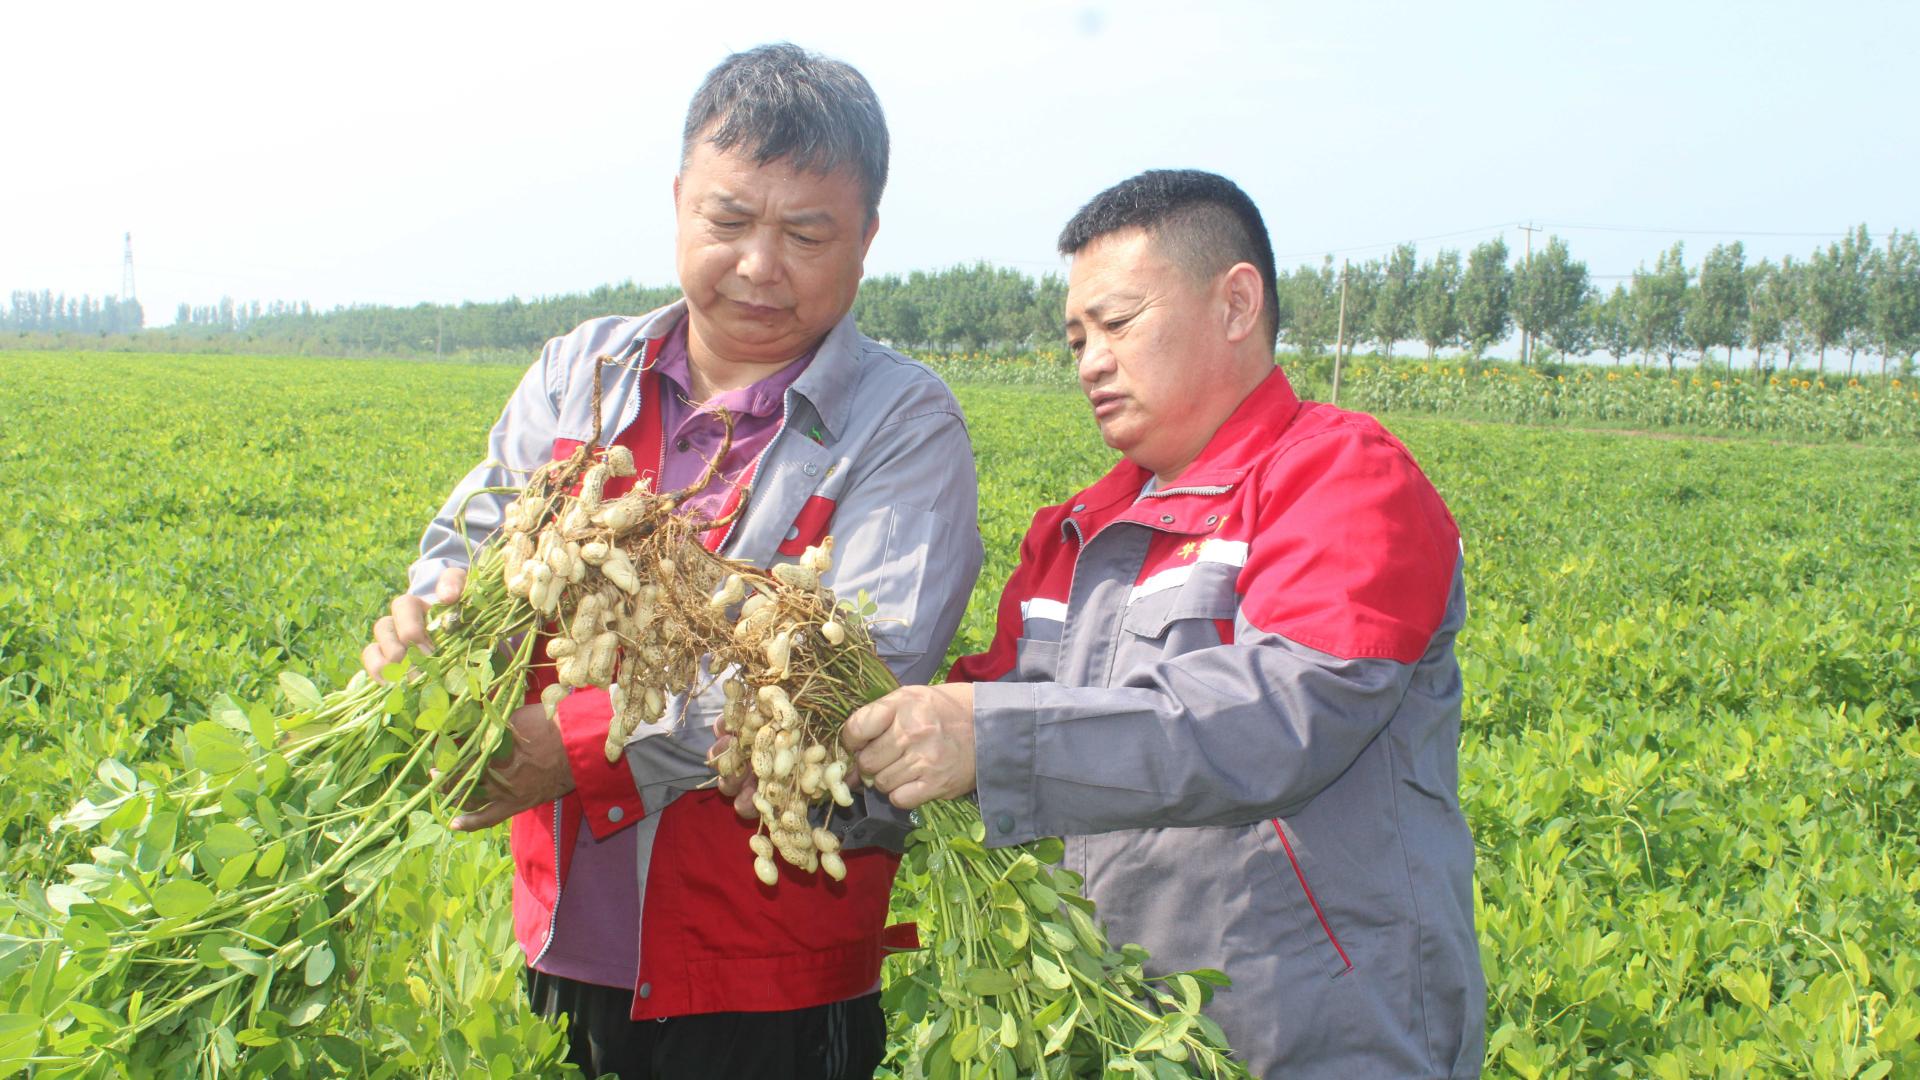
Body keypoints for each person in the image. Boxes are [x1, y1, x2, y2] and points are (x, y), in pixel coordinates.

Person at [362, 44, 983, 1080]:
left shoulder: (903, 426)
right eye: (730, 221)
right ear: (679, 203)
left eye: (806, 233)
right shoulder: (583, 371)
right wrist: (429, 634)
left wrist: (587, 742)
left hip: (762, 978)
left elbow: (854, 670)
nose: (759, 266)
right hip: (565, 940)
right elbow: (471, 541)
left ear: (866, 240)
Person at [839, 169, 1485, 1078]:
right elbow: (983, 723)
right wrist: (838, 744)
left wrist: (987, 739)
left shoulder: (1344, 479)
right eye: (1075, 337)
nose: (1090, 360)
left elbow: (1278, 716)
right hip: (1123, 1031)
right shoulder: (1073, 535)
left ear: (1235, 303)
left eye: (1117, 323)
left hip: (1317, 1043)